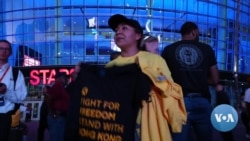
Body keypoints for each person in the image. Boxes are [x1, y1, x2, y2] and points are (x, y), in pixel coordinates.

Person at [161, 21, 221, 141]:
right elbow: (215, 79)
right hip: (202, 100)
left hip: (179, 103)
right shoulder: (206, 49)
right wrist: (204, 80)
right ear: (194, 32)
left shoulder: (168, 50)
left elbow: (163, 78)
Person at [0, 39, 27, 141]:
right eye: (1, 48)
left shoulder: (16, 73)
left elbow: (21, 97)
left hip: (4, 117)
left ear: (10, 53)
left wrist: (6, 92)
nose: (3, 51)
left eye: (7, 49)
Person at [46, 72, 69, 141]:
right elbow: (48, 97)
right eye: (65, 78)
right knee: (56, 137)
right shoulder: (57, 86)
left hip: (60, 117)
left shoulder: (61, 87)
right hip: (57, 118)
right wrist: (52, 111)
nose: (67, 80)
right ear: (60, 79)